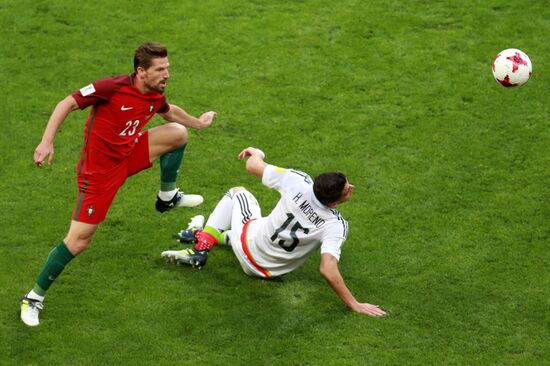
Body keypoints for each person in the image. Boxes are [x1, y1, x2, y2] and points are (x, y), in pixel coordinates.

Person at [20, 42, 217, 326]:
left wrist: (198, 123)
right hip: (99, 175)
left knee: (178, 133)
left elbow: (168, 111)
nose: (167, 75)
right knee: (78, 241)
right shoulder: (110, 87)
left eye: (167, 68)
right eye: (160, 70)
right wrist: (46, 141)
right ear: (141, 71)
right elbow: (68, 102)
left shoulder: (153, 93)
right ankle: (33, 298)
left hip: (128, 154)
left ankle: (168, 196)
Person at [162, 147, 386, 316]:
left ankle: (201, 243)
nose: (352, 188)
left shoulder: (298, 181)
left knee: (237, 192)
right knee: (254, 221)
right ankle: (202, 237)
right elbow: (328, 269)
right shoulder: (335, 225)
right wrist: (354, 304)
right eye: (348, 189)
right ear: (334, 202)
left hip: (248, 243)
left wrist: (257, 152)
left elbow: (252, 166)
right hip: (264, 271)